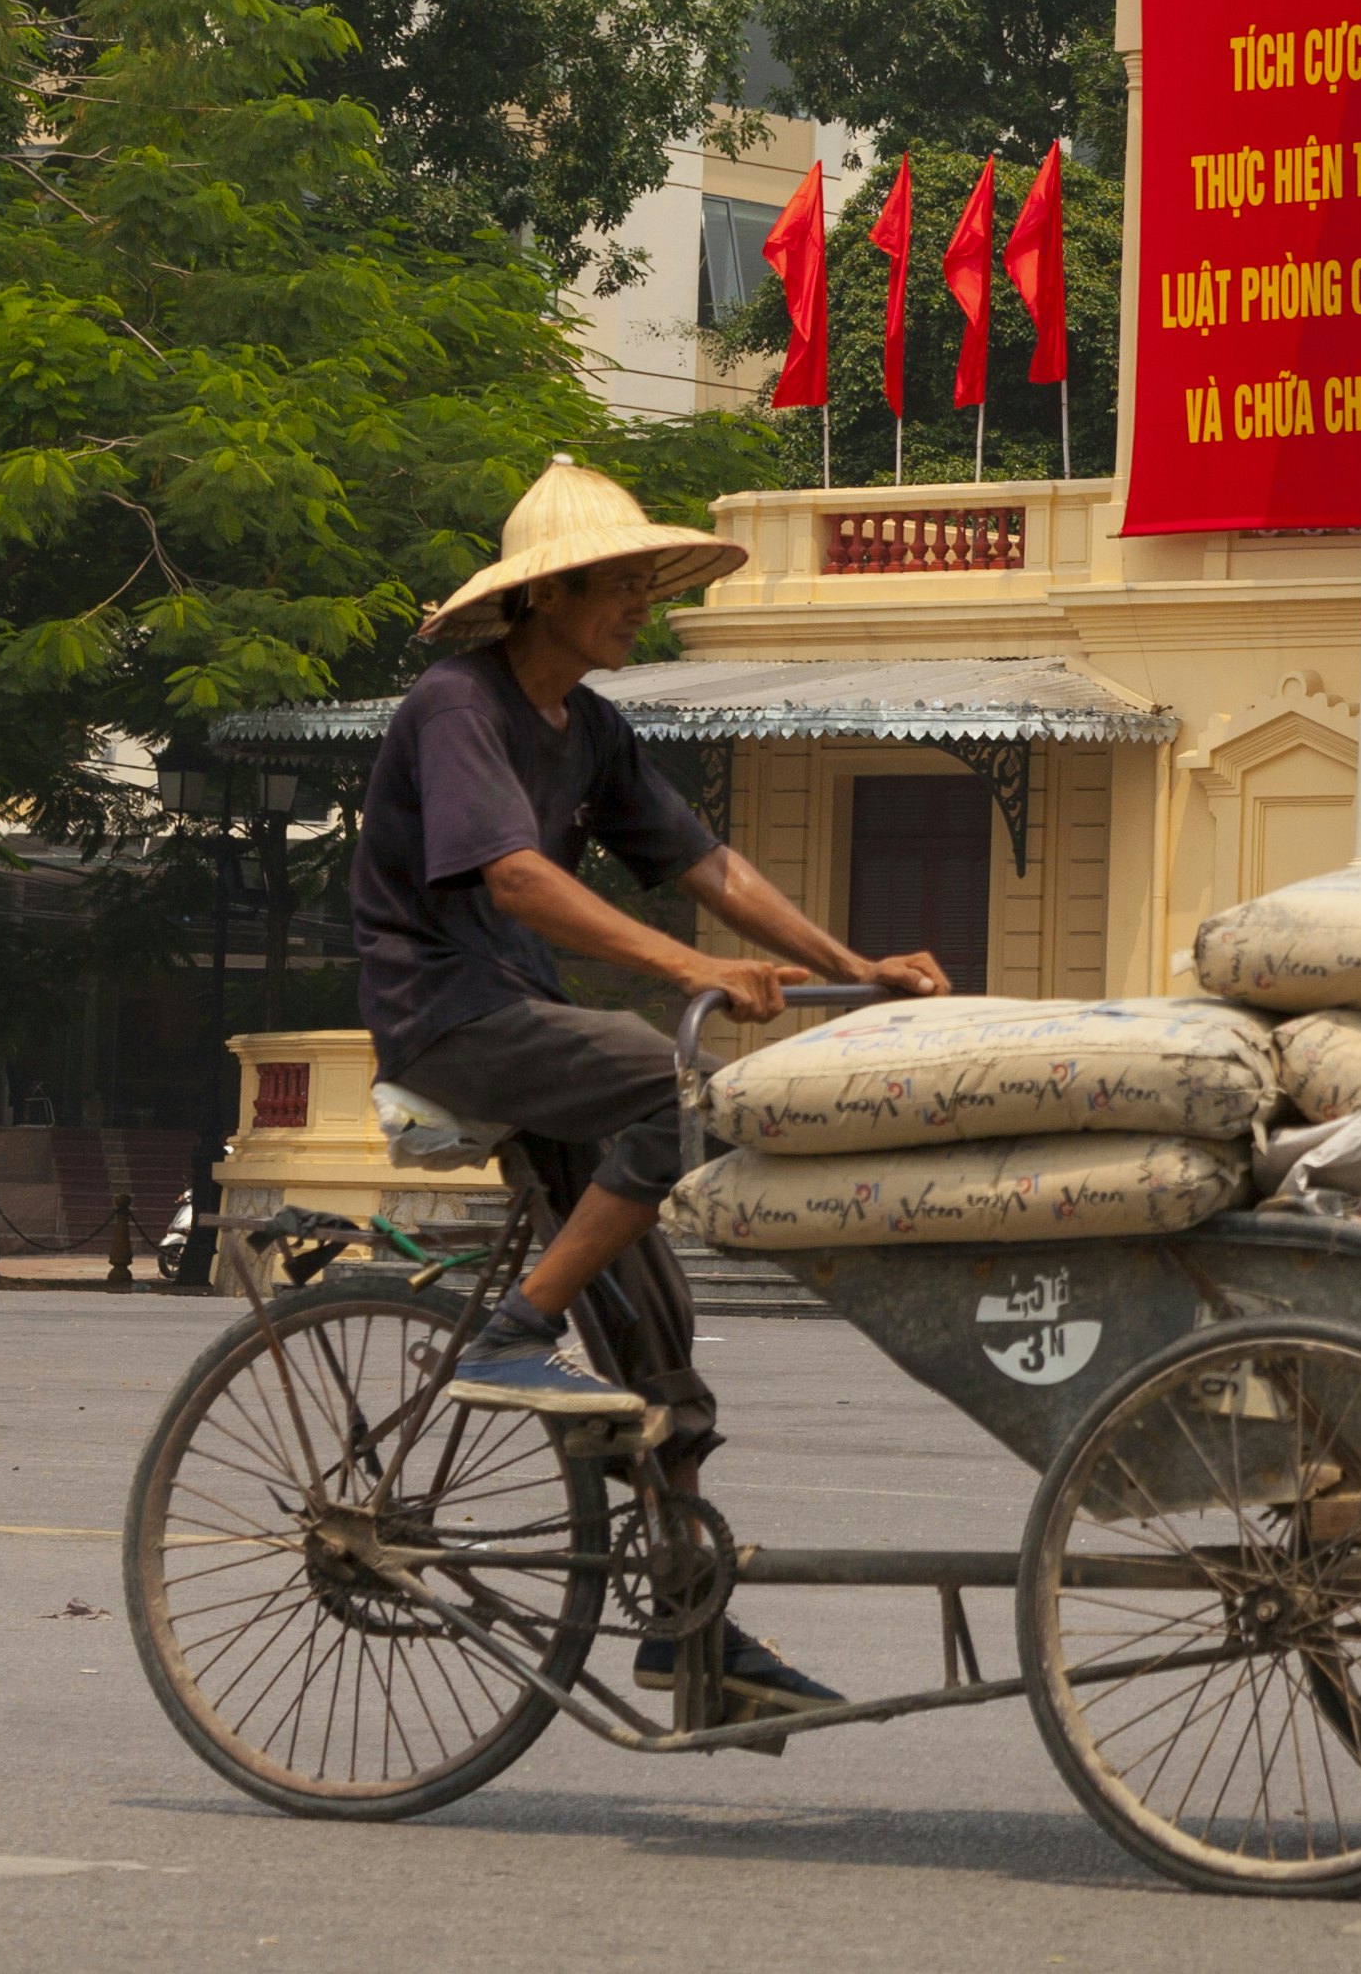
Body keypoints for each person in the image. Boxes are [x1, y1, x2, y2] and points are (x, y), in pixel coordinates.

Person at [352, 454, 952, 1720]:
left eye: (643, 582)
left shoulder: (597, 727)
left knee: (661, 1360)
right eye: (619, 584)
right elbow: (512, 879)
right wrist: (692, 968)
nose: (640, 603)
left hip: (528, 1016)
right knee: (669, 1085)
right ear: (549, 594)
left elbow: (705, 860)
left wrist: (849, 962)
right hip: (449, 1012)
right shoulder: (457, 704)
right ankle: (514, 1334)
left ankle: (693, 1633)